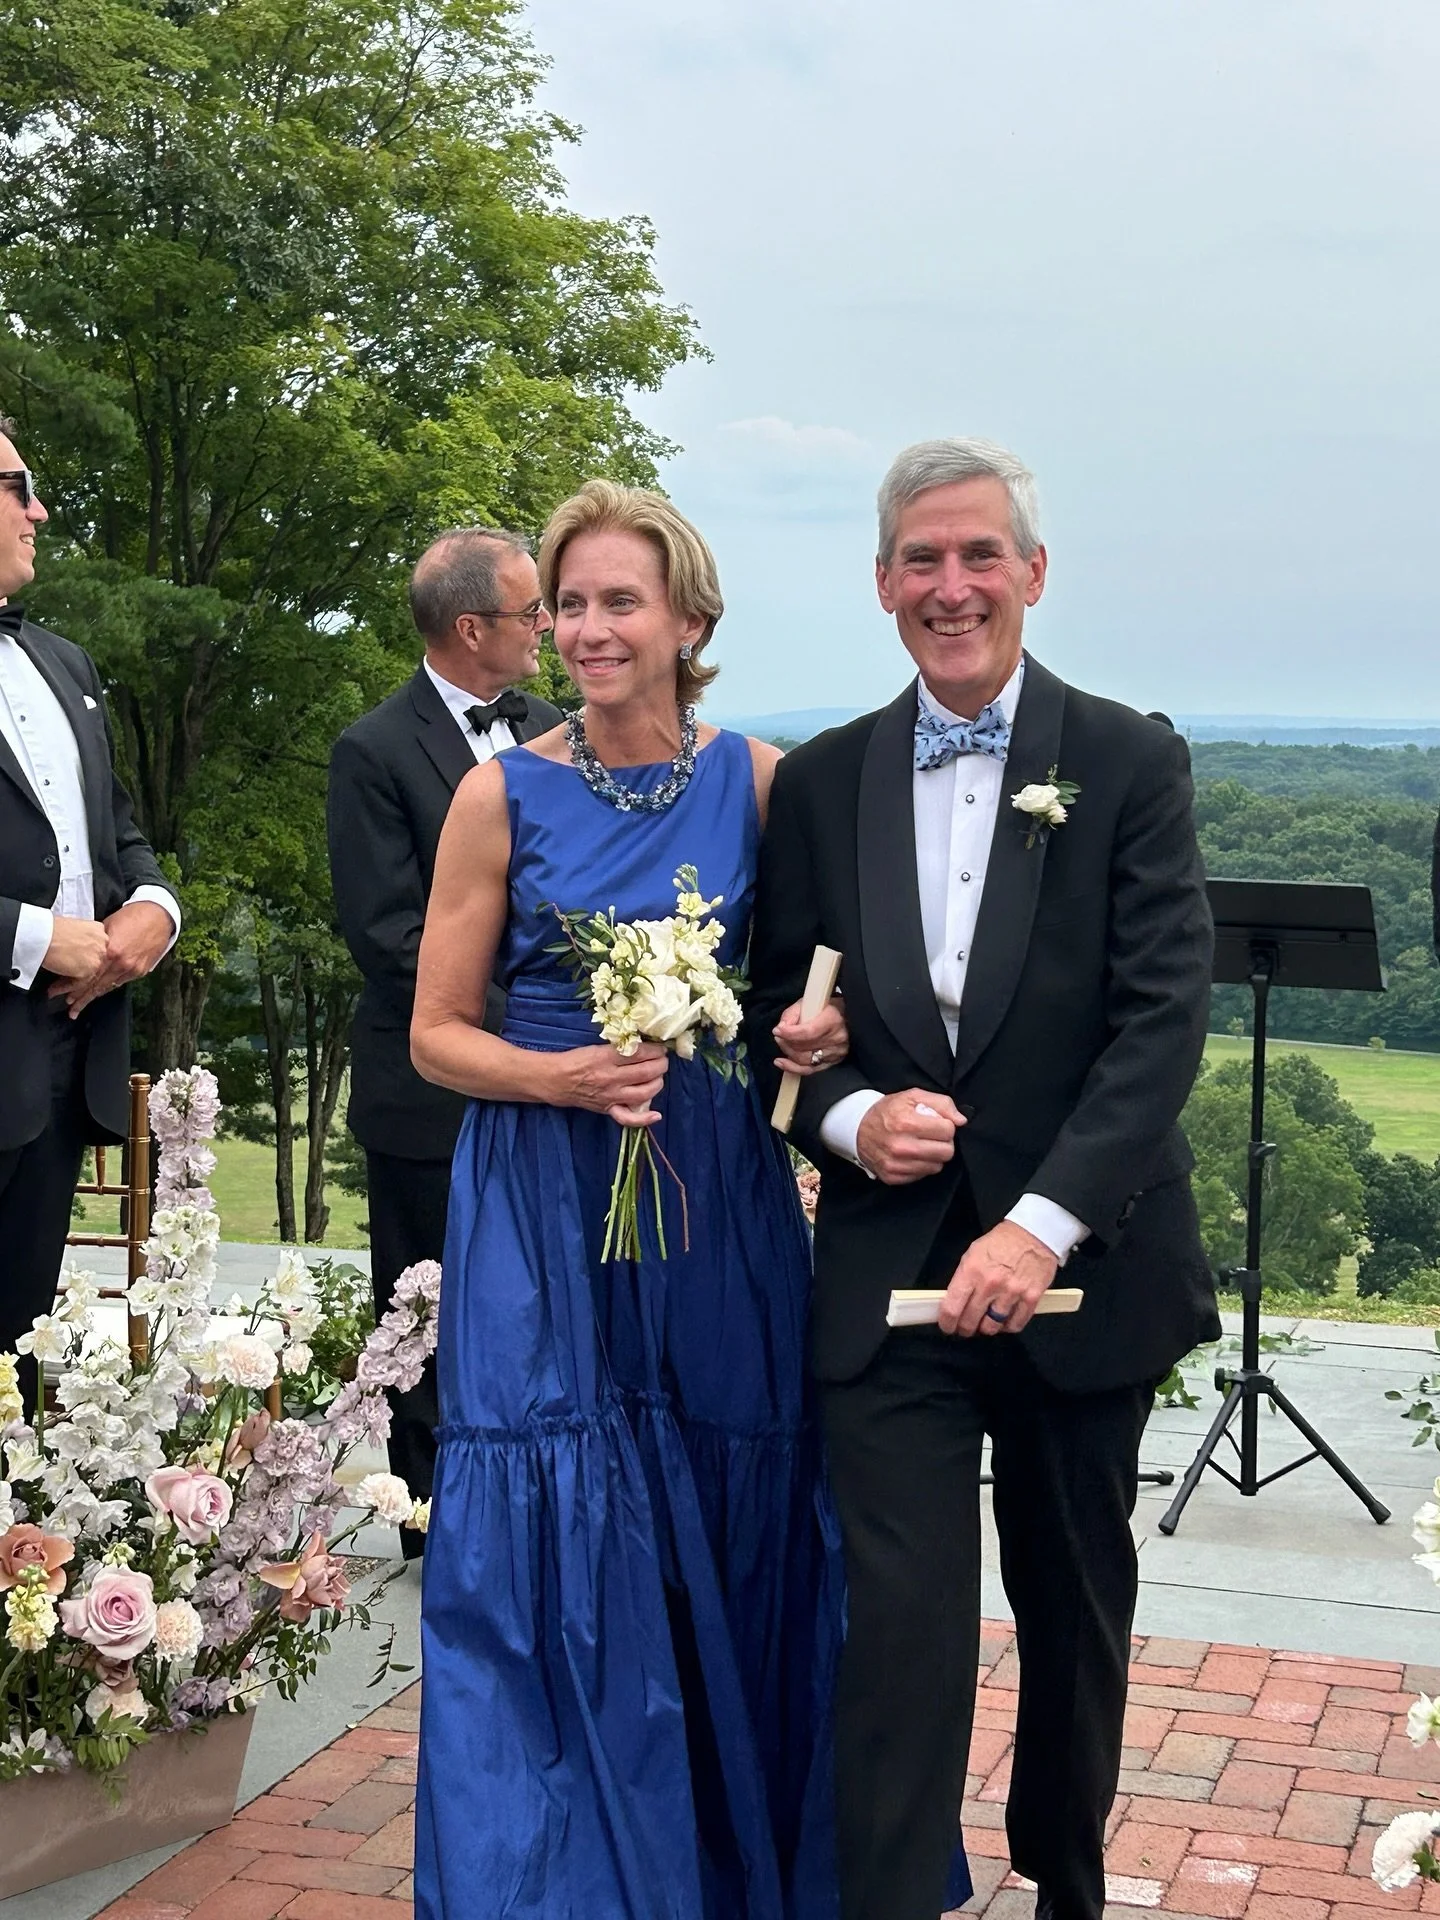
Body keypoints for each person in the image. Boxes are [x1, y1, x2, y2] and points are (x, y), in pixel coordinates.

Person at [746, 438, 1221, 1920]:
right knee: (900, 1626)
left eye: (978, 556)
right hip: (885, 1280)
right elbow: (781, 1035)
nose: (951, 588)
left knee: (1075, 1613)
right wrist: (851, 1117)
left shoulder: (1128, 759)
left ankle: (1065, 1885)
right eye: (921, 561)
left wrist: (1036, 1226)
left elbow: (1160, 1028)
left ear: (1031, 571)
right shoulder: (819, 783)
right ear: (882, 583)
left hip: (1085, 1268)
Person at [408, 481, 885, 1919]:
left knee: (732, 1479)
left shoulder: (763, 784)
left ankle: (730, 1860)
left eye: (624, 601)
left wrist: (816, 1033)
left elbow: (825, 988)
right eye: (572, 603)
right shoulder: (499, 794)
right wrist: (560, 1084)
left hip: (714, 1201)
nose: (593, 627)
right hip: (541, 1204)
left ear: (690, 618)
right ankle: (549, 1877)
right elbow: (437, 1028)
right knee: (553, 1506)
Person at [328, 528, 562, 1547]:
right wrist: (538, 1025)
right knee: (423, 1308)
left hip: (556, 1081)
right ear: (473, 629)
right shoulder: (374, 751)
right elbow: (389, 934)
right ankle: (434, 1519)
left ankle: (540, 1494)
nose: (550, 628)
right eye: (532, 612)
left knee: (541, 1297)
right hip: (427, 1086)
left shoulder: (561, 730)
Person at [0, 416, 180, 1402]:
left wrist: (153, 909)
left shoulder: (64, 663)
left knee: (20, 1344)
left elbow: (118, 834)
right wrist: (37, 938)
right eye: (17, 486)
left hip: (67, 1057)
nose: (39, 509)